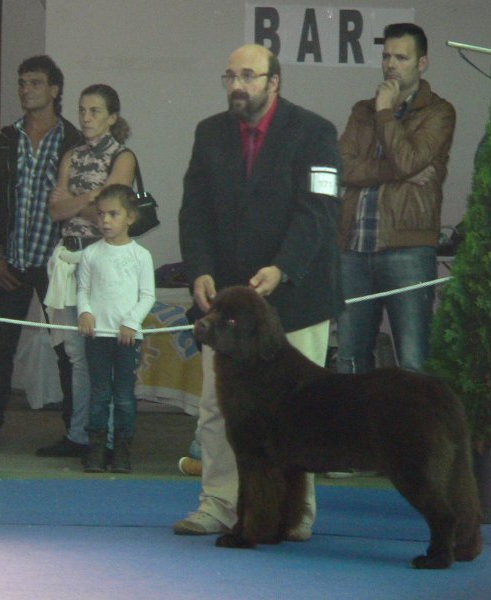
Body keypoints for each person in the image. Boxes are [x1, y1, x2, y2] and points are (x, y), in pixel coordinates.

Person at [175, 43, 343, 537]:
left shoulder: (316, 132)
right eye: (229, 76)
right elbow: (194, 212)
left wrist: (282, 268)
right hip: (225, 304)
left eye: (248, 76)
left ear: (275, 82)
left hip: (296, 296)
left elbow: (319, 213)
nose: (236, 85)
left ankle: (296, 513)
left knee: (296, 411)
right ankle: (219, 504)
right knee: (217, 407)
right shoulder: (209, 133)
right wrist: (199, 270)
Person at [0, 55, 82, 449]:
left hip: (57, 263)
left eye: (34, 82)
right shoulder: (7, 138)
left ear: (54, 90)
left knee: (69, 350)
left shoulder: (71, 141)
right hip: (12, 258)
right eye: (21, 82)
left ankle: (76, 432)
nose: (25, 89)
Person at [336, 22, 455, 376]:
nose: (390, 65)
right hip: (354, 249)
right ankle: (356, 433)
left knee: (413, 361)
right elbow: (342, 168)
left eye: (401, 57)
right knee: (350, 360)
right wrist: (397, 171)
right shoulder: (362, 110)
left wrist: (386, 111)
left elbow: (406, 159)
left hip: (408, 250)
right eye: (387, 56)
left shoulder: (439, 112)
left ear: (422, 63)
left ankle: (413, 434)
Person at [36, 84, 136, 460]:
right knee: (77, 355)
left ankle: (106, 437)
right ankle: (80, 434)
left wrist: (75, 204)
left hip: (102, 262)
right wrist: (86, 202)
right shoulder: (71, 155)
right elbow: (55, 212)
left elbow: (110, 212)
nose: (86, 118)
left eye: (95, 111)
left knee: (103, 353)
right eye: (82, 110)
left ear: (112, 117)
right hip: (69, 260)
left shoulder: (122, 156)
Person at [77, 184, 155, 473]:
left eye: (113, 214)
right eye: (101, 215)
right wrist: (85, 312)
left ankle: (122, 451)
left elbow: (148, 295)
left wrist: (131, 323)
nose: (106, 221)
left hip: (127, 339)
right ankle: (96, 450)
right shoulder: (90, 254)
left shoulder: (141, 256)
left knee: (123, 397)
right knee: (99, 395)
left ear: (130, 217)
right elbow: (83, 289)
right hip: (97, 337)